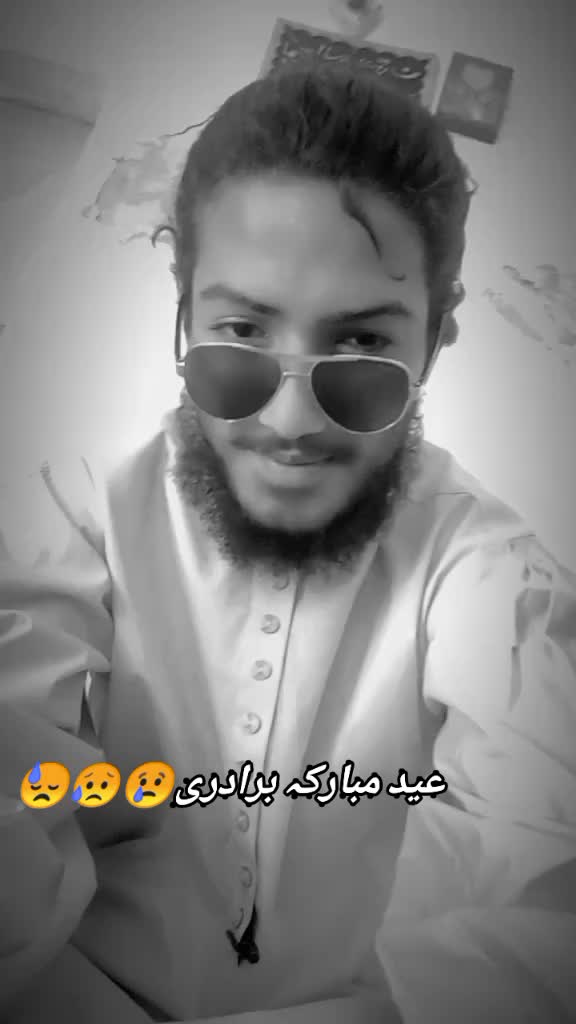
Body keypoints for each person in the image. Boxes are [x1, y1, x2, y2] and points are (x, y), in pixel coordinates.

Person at [1, 65, 575, 1024]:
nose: (292, 421)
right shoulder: (73, 507)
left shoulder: (485, 563)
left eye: (362, 347)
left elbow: (542, 907)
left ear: (435, 342)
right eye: (241, 331)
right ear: (183, 318)